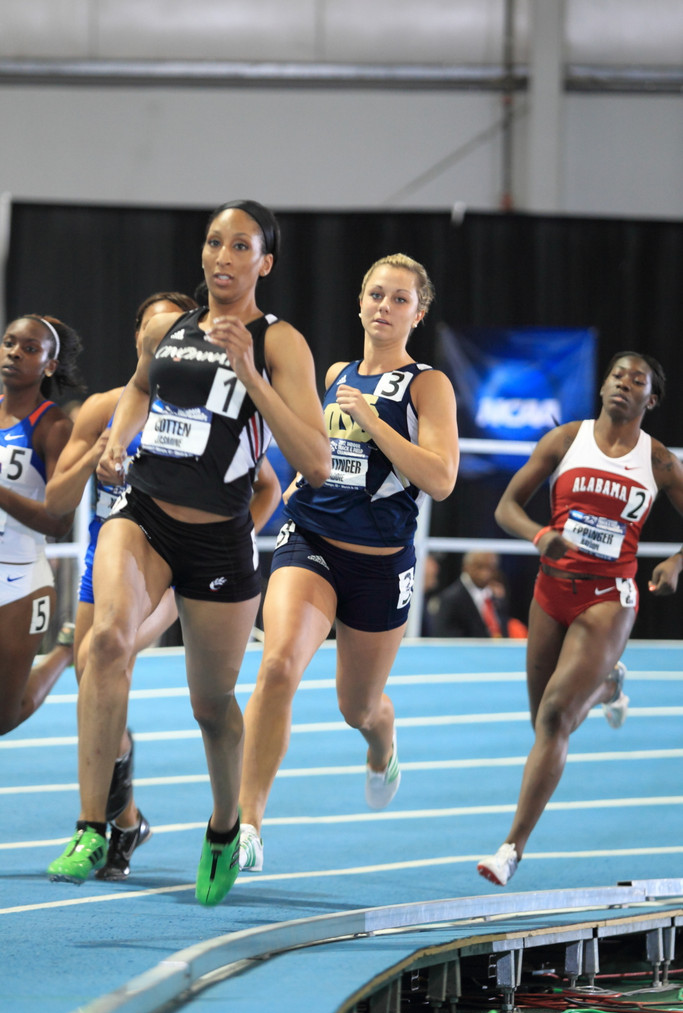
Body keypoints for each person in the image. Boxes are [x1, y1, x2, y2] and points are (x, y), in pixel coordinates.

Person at [47, 200, 330, 905]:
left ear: (265, 262)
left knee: (210, 704)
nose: (223, 257)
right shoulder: (170, 330)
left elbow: (316, 463)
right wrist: (118, 440)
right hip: (142, 514)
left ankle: (226, 826)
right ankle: (92, 826)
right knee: (104, 642)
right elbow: (140, 387)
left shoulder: (280, 342)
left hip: (218, 538)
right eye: (213, 242)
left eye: (240, 246)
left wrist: (252, 375)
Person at [237, 252, 460, 873]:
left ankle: (381, 743)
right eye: (376, 294)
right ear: (359, 302)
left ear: (418, 313)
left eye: (399, 299)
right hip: (311, 541)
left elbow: (441, 479)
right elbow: (322, 450)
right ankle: (247, 825)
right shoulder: (336, 372)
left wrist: (374, 423)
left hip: (380, 566)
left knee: (356, 707)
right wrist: (297, 483)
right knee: (277, 666)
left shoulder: (427, 385)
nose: (384, 307)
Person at [477, 351, 683, 887]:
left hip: (609, 596)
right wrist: (539, 535)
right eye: (617, 375)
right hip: (551, 591)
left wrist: (676, 561)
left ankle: (511, 849)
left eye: (636, 380)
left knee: (554, 718)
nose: (623, 384)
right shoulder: (566, 440)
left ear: (651, 400)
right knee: (545, 723)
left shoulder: (659, 461)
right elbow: (506, 507)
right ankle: (608, 685)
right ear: (603, 386)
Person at [44, 292, 196, 880]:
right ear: (137, 337)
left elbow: (261, 485)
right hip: (103, 558)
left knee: (103, 656)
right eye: (151, 332)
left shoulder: (202, 407)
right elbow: (57, 500)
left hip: (168, 566)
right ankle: (126, 821)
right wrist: (99, 453)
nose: (160, 342)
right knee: (94, 686)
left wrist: (228, 540)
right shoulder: (104, 407)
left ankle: (95, 827)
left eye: (173, 332)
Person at [0, 314, 85, 735]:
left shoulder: (54, 428)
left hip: (20, 581)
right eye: (9, 343)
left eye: (29, 349)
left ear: (50, 365)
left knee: (4, 718)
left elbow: (60, 522)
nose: (14, 353)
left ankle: (65, 650)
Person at [431, 549, 514, 638]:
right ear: (466, 567)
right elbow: (447, 637)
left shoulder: (497, 598)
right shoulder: (450, 599)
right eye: (479, 567)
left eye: (491, 568)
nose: (485, 573)